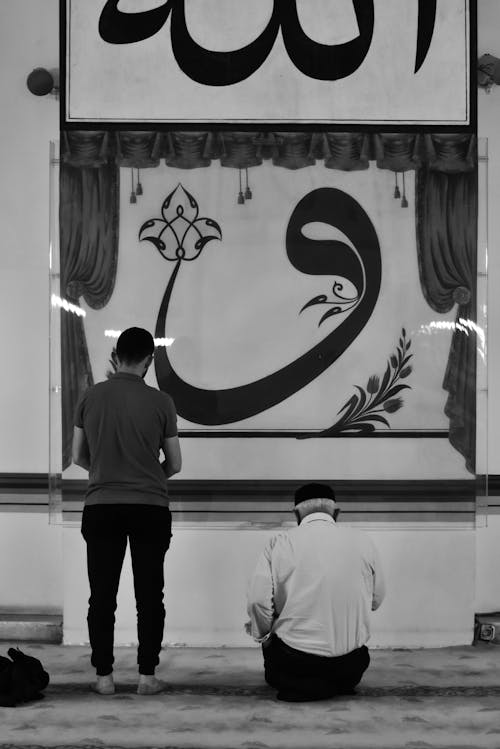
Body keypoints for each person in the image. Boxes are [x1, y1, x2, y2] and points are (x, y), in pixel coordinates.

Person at [72, 327, 182, 696]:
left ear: (116, 355)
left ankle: (104, 677)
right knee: (150, 595)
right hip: (150, 507)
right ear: (149, 360)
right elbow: (176, 464)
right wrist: (150, 477)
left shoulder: (91, 396)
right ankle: (147, 677)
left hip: (102, 506)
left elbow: (77, 456)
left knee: (101, 595)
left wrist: (106, 474)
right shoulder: (161, 401)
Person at [246, 482, 385, 702]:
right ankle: (333, 684)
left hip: (296, 661)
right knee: (348, 660)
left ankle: (306, 685)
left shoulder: (279, 542)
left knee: (270, 637)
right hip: (351, 665)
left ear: (296, 514)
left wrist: (263, 633)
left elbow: (257, 602)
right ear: (336, 512)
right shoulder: (363, 540)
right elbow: (376, 600)